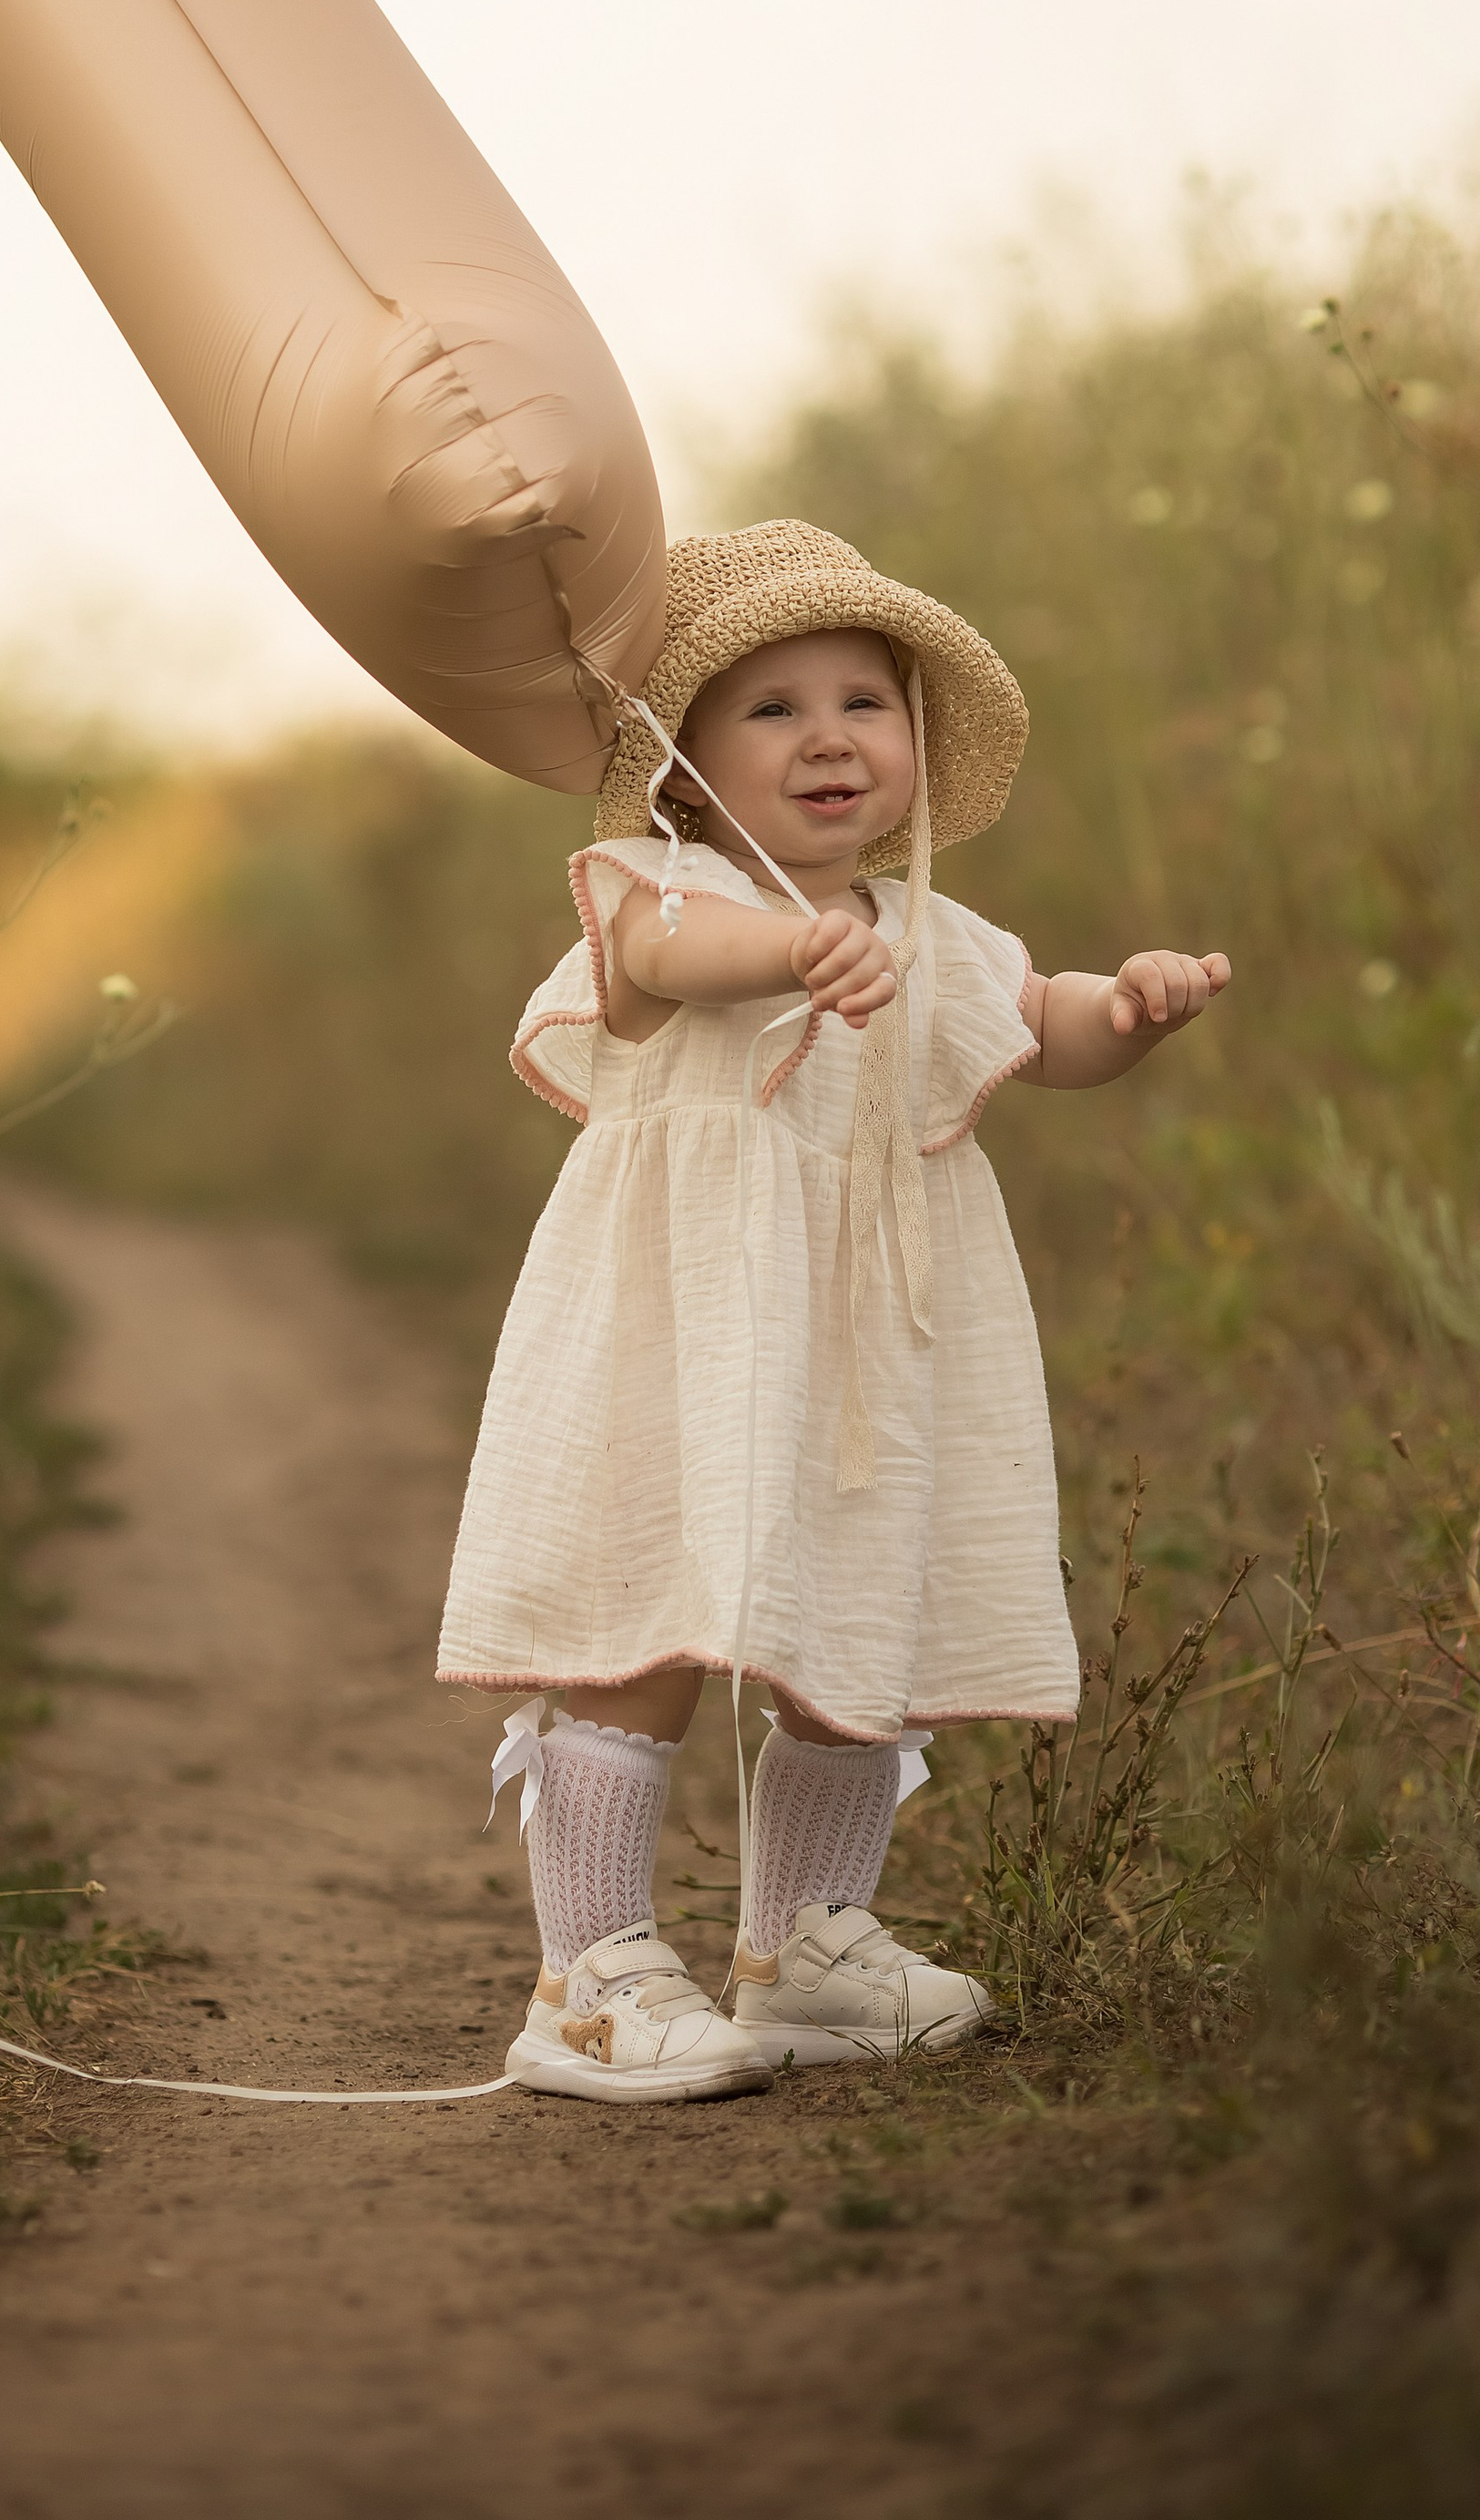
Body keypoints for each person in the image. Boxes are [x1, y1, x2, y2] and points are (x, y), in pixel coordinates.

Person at [438, 522, 1229, 2100]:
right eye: (774, 707)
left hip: (865, 1347)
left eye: (865, 703)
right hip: (679, 1333)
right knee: (646, 1612)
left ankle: (801, 1946)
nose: (830, 739)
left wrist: (1129, 1010)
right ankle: (587, 1976)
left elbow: (1045, 1024)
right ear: (680, 770)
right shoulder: (661, 885)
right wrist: (796, 945)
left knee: (859, 1620)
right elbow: (672, 956)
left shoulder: (936, 931)